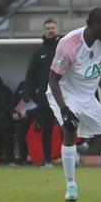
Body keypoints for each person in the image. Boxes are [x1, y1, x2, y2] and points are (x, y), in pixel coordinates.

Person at [46, 7, 101, 202]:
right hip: (64, 92)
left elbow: (100, 72)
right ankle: (71, 186)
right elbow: (53, 80)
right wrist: (65, 110)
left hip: (86, 95)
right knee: (70, 130)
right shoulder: (69, 45)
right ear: (95, 24)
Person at [22, 19, 61, 167]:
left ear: (57, 29)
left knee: (69, 127)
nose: (51, 30)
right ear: (44, 31)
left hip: (64, 95)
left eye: (53, 27)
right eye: (48, 28)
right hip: (46, 97)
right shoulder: (39, 53)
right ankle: (48, 159)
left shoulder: (64, 49)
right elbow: (31, 75)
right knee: (47, 130)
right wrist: (28, 94)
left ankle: (72, 156)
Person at [0, 75, 14, 165]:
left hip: (4, 120)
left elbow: (6, 110)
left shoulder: (3, 91)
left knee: (2, 130)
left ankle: (6, 156)